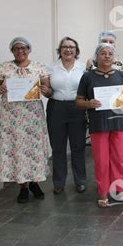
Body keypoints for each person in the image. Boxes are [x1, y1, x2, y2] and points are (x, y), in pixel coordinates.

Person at [0, 37, 51, 203]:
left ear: (29, 49)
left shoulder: (39, 67)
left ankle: (35, 183)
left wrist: (45, 90)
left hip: (33, 117)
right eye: (16, 48)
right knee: (17, 148)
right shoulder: (4, 68)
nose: (20, 51)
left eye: (23, 48)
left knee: (34, 148)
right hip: (12, 117)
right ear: (12, 51)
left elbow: (49, 90)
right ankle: (22, 186)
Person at [76, 43, 123, 207]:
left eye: (110, 53)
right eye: (103, 53)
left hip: (119, 122)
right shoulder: (88, 77)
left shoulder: (121, 75)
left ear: (114, 57)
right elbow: (78, 101)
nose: (107, 56)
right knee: (101, 160)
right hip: (98, 124)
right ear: (97, 56)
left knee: (118, 159)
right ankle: (102, 191)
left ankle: (119, 191)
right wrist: (89, 104)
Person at [46, 37, 87, 194]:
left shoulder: (83, 68)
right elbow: (48, 89)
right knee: (58, 147)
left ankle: (80, 180)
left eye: (72, 47)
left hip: (77, 108)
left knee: (78, 146)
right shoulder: (50, 68)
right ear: (59, 50)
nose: (68, 49)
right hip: (56, 108)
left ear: (76, 51)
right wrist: (45, 91)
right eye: (65, 46)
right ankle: (59, 182)